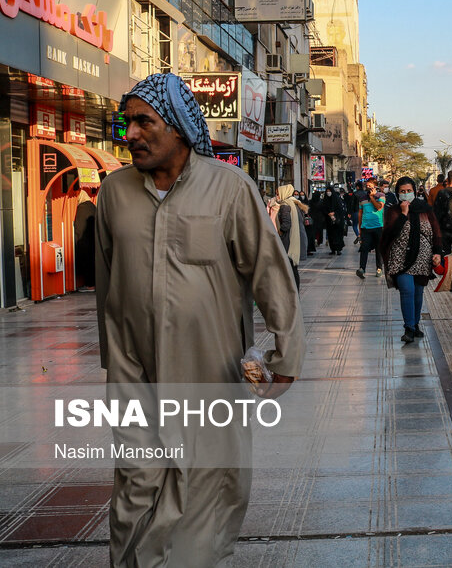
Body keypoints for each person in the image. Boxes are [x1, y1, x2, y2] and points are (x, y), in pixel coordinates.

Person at [96, 72, 303, 566]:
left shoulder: (230, 189)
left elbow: (269, 273)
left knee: (207, 487)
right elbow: (107, 285)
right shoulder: (114, 194)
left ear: (179, 128)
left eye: (144, 122)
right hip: (135, 375)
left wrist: (286, 352)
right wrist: (113, 361)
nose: (132, 134)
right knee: (136, 484)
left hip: (210, 373)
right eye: (127, 123)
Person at [379, 177, 443, 343]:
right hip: (400, 258)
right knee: (407, 290)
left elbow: (436, 232)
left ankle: (415, 324)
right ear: (397, 193)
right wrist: (403, 214)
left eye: (409, 191)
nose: (406, 194)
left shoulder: (426, 209)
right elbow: (389, 234)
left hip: (422, 258)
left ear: (414, 191)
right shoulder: (393, 210)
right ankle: (409, 328)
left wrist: (437, 252)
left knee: (418, 292)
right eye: (402, 191)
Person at [276, 184, 306, 290]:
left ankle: (292, 291)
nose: (277, 196)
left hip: (288, 240)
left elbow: (286, 224)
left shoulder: (285, 205)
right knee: (293, 268)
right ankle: (295, 291)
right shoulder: (295, 203)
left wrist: (279, 232)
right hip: (297, 238)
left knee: (290, 268)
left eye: (278, 194)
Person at [356, 178, 385, 278]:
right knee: (364, 248)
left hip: (378, 227)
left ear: (375, 186)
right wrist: (360, 228)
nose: (367, 187)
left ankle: (379, 268)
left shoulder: (381, 195)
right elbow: (360, 213)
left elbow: (379, 207)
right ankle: (362, 269)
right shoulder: (362, 197)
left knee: (378, 248)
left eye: (370, 185)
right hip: (365, 227)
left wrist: (372, 197)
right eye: (367, 186)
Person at [74, 190, 97, 291]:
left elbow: (79, 228)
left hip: (85, 241)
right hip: (95, 240)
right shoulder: (92, 206)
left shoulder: (81, 209)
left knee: (87, 262)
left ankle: (90, 285)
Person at [321, 187, 346, 255]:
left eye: (329, 191)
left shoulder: (337, 200)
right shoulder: (325, 200)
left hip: (337, 221)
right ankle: (333, 249)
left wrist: (334, 213)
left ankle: (338, 249)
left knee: (338, 235)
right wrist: (328, 213)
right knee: (331, 235)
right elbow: (323, 209)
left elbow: (340, 209)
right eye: (327, 191)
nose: (328, 193)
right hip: (329, 221)